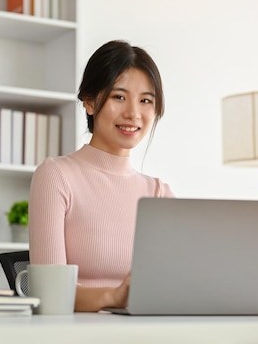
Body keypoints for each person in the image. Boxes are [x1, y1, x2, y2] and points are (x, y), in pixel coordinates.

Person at [28, 40, 174, 312]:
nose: (133, 113)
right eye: (119, 97)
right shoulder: (56, 176)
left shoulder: (159, 193)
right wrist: (112, 297)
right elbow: (49, 294)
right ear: (90, 102)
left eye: (145, 101)